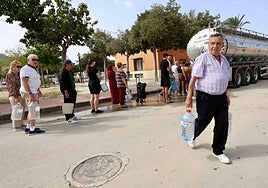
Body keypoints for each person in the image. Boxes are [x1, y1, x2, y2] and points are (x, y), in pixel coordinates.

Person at [185, 33, 231, 164]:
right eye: (212, 43)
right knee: (203, 121)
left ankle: (218, 151)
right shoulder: (203, 58)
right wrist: (189, 97)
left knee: (223, 124)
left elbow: (224, 79)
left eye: (218, 43)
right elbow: (193, 78)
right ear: (208, 44)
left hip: (221, 97)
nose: (215, 46)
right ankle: (192, 136)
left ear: (223, 45)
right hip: (205, 97)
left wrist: (226, 95)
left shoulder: (225, 60)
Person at [20, 54, 45, 135]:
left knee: (31, 110)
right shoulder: (25, 69)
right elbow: (24, 82)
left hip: (34, 91)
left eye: (37, 60)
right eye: (33, 59)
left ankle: (28, 126)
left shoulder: (33, 69)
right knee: (32, 110)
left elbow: (33, 81)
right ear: (28, 60)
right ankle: (32, 129)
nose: (35, 61)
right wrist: (30, 94)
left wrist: (38, 90)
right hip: (29, 92)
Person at [6, 60, 25, 131]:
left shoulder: (19, 74)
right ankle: (16, 126)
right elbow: (11, 87)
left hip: (21, 94)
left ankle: (20, 124)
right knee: (16, 110)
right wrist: (16, 97)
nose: (19, 68)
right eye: (18, 66)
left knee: (21, 110)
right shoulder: (10, 75)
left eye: (20, 66)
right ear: (13, 67)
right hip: (14, 95)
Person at [59, 59, 79, 124]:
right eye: (70, 64)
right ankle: (68, 118)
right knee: (68, 104)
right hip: (67, 90)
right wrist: (65, 91)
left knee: (72, 103)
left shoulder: (70, 71)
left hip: (72, 90)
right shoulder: (63, 72)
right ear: (67, 65)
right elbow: (62, 83)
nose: (71, 65)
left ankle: (72, 115)